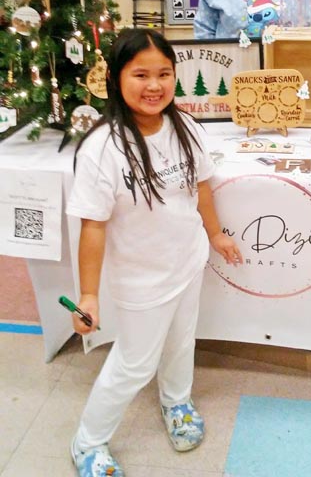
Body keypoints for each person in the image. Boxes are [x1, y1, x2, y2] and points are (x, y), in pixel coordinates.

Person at [66, 27, 243, 477]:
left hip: (188, 260)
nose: (154, 85)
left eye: (164, 73)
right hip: (141, 280)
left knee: (182, 342)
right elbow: (93, 226)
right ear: (116, 78)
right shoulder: (101, 148)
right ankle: (88, 442)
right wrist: (89, 295)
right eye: (140, 74)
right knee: (134, 363)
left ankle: (176, 401)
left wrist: (216, 235)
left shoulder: (186, 128)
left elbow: (201, 186)